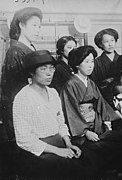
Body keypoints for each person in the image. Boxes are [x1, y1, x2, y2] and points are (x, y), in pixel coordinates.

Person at [13, 50, 96, 179]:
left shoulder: (53, 93)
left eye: (52, 68)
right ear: (31, 72)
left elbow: (60, 123)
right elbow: (24, 140)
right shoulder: (23, 97)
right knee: (73, 170)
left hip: (59, 142)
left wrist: (68, 144)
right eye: (43, 69)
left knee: (89, 160)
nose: (49, 73)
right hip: (38, 150)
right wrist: (59, 151)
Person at [60, 45, 122, 173]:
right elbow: (70, 112)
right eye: (87, 62)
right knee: (103, 149)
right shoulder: (70, 85)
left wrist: (114, 121)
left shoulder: (91, 83)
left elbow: (102, 105)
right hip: (81, 134)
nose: (91, 65)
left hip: (96, 126)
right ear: (77, 64)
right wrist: (85, 132)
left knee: (121, 139)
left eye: (92, 61)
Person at [1, 7, 42, 141]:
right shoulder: (15, 51)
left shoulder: (28, 49)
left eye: (39, 26)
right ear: (21, 25)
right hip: (20, 112)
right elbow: (14, 91)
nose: (38, 30)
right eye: (34, 25)